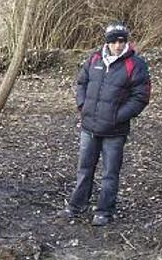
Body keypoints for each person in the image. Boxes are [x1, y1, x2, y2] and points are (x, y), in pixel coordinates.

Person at [62, 21, 151, 226]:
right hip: (89, 127)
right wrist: (82, 105)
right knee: (84, 169)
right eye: (114, 41)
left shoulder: (135, 64)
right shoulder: (94, 59)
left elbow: (141, 97)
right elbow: (82, 83)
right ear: (107, 42)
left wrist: (117, 117)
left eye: (122, 41)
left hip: (115, 131)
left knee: (110, 173)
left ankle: (104, 211)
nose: (118, 45)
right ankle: (77, 206)